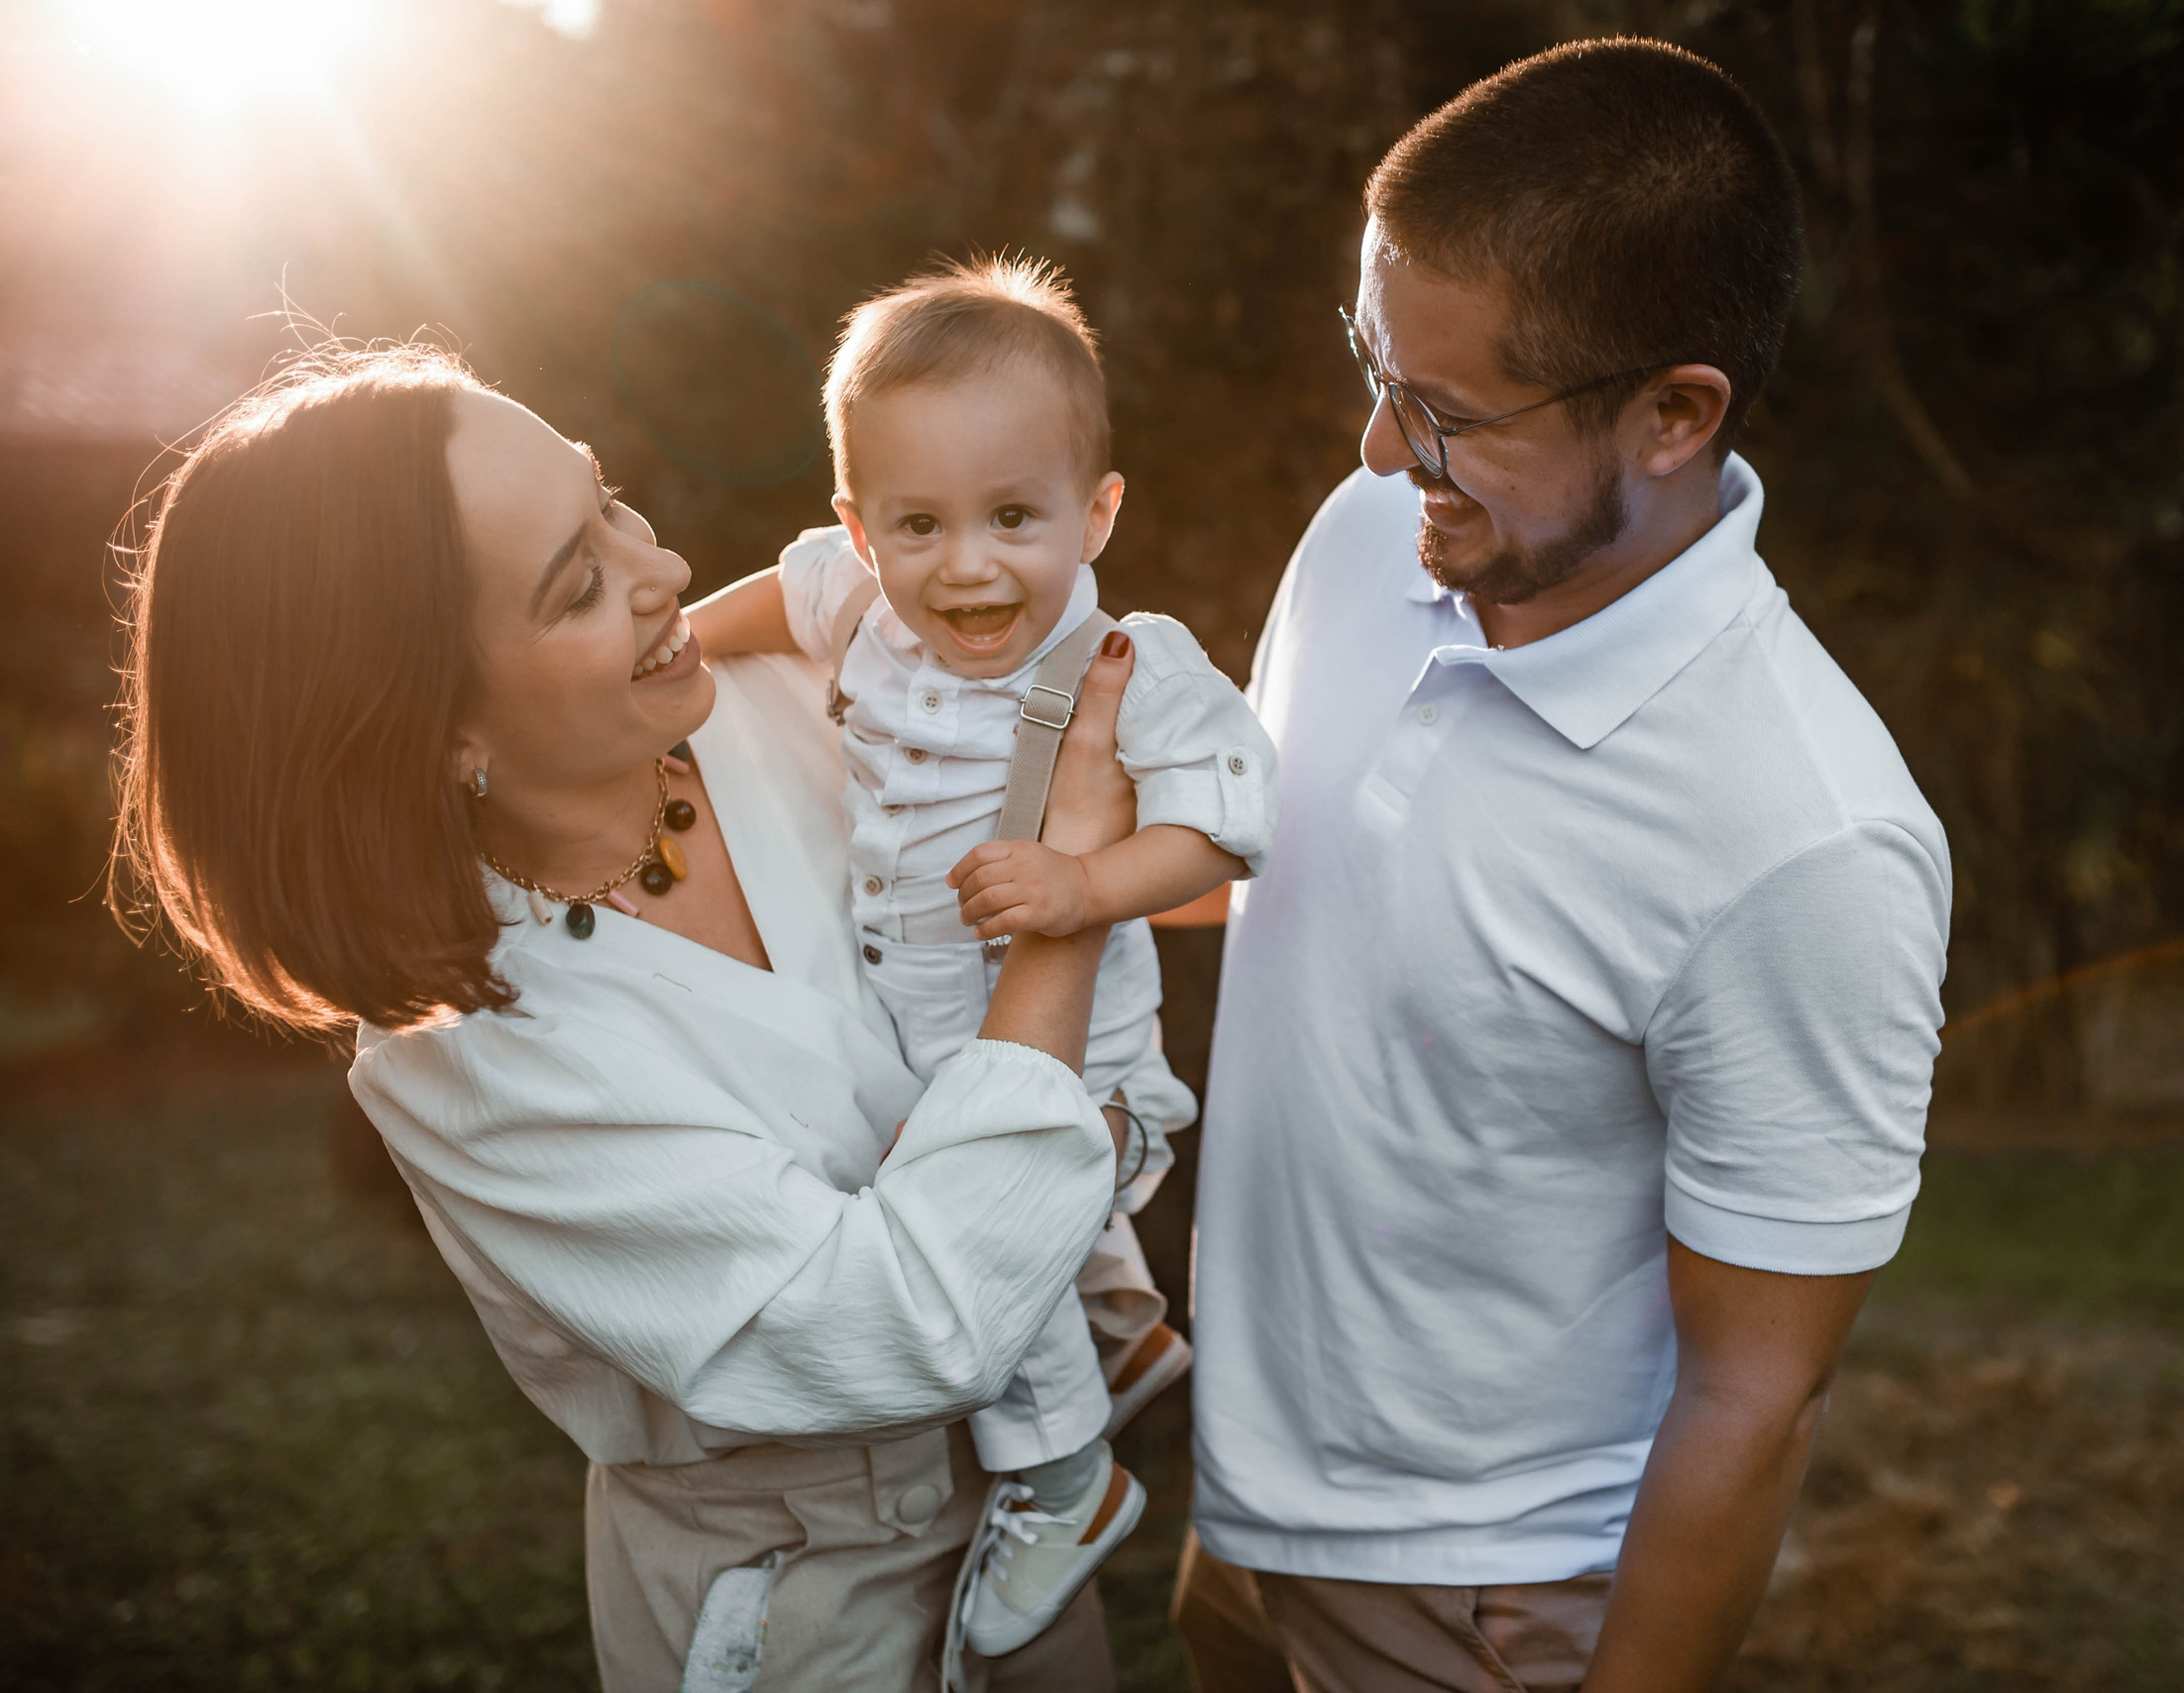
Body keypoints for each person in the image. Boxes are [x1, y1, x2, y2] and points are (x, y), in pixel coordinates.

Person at [111, 341, 1163, 1692]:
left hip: (1033, 1530)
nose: (661, 567)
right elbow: (900, 1326)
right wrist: (1063, 898)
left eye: (607, 498)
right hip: (794, 1614)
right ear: (438, 728)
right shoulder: (475, 1060)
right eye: (578, 582)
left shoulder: (813, 703)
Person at [1174, 39, 1952, 1693]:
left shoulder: (1808, 838)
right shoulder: (1375, 533)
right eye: (1372, 367)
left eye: (1445, 411)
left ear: (1675, 414)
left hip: (1490, 1601)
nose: (1379, 452)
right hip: (1244, 1512)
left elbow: (1759, 1394)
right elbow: (1276, 866)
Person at [690, 255, 1275, 1654]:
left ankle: (1064, 1478)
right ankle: (1120, 1335)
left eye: (1016, 517)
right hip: (926, 1040)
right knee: (956, 1207)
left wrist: (1085, 879)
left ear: (1098, 510)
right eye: (920, 524)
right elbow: (779, 602)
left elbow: (1231, 826)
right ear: (860, 525)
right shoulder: (865, 605)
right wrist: (670, 660)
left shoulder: (1125, 665)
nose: (968, 565)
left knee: (976, 1253)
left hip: (1081, 1068)